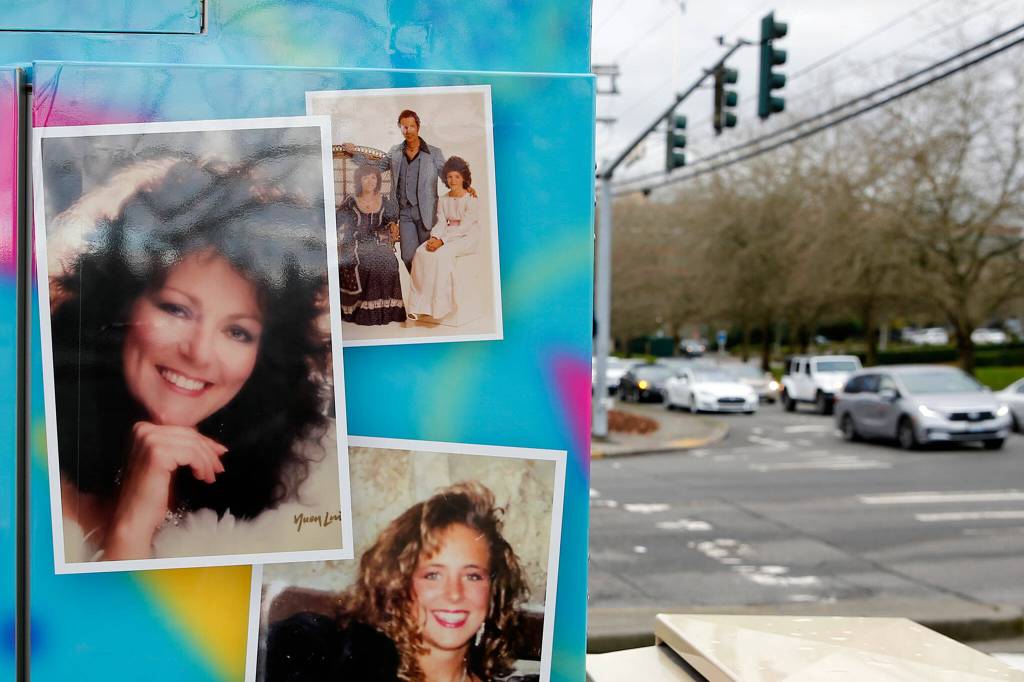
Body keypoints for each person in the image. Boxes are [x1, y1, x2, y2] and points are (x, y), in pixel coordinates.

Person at [47, 156, 337, 561]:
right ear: (119, 305)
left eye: (238, 332)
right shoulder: (29, 469)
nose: (199, 353)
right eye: (176, 310)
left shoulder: (306, 490)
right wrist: (130, 527)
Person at [265, 482, 534, 682]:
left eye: (472, 576)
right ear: (400, 584)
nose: (454, 594)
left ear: (493, 590)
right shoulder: (342, 665)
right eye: (433, 575)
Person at [343, 109, 474, 272]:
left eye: (411, 126)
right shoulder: (395, 152)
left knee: (429, 254)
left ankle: (427, 290)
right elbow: (375, 168)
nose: (408, 130)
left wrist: (466, 187)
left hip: (427, 212)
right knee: (408, 256)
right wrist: (354, 154)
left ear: (418, 127)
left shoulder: (434, 153)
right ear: (400, 128)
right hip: (404, 213)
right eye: (404, 127)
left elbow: (446, 175)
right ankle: (421, 287)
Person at [407, 156, 480, 322]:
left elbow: (464, 227)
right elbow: (441, 222)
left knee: (440, 256)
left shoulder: (471, 199)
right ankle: (418, 306)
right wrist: (434, 237)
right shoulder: (444, 199)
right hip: (447, 233)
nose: (452, 180)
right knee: (421, 253)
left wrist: (442, 242)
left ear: (464, 178)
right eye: (449, 177)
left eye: (457, 177)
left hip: (467, 236)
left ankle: (439, 307)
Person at [337, 164, 406, 325]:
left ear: (378, 180)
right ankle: (362, 311)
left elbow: (391, 219)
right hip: (354, 243)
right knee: (367, 262)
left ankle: (386, 312)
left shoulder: (385, 201)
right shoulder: (351, 201)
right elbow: (336, 221)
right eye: (365, 177)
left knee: (388, 260)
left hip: (377, 242)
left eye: (374, 177)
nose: (370, 181)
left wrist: (393, 225)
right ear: (359, 180)